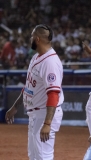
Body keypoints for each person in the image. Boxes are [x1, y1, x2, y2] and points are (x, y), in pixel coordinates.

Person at [5, 24, 64, 160]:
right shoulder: (36, 57)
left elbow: (53, 94)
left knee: (43, 156)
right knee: (34, 156)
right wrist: (15, 107)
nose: (30, 39)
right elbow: (28, 87)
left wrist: (47, 123)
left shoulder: (50, 62)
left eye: (32, 36)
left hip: (44, 114)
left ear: (37, 39)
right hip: (35, 114)